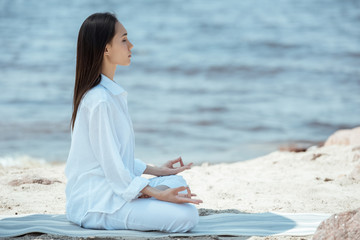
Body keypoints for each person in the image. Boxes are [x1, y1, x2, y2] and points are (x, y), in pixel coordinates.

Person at [65, 12, 203, 233]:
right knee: (187, 217)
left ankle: (144, 196)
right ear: (106, 49)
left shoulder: (110, 94)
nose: (131, 45)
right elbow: (112, 167)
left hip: (113, 189)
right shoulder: (99, 101)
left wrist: (158, 171)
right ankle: (144, 198)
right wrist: (156, 193)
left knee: (179, 184)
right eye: (124, 39)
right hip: (95, 204)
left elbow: (115, 159)